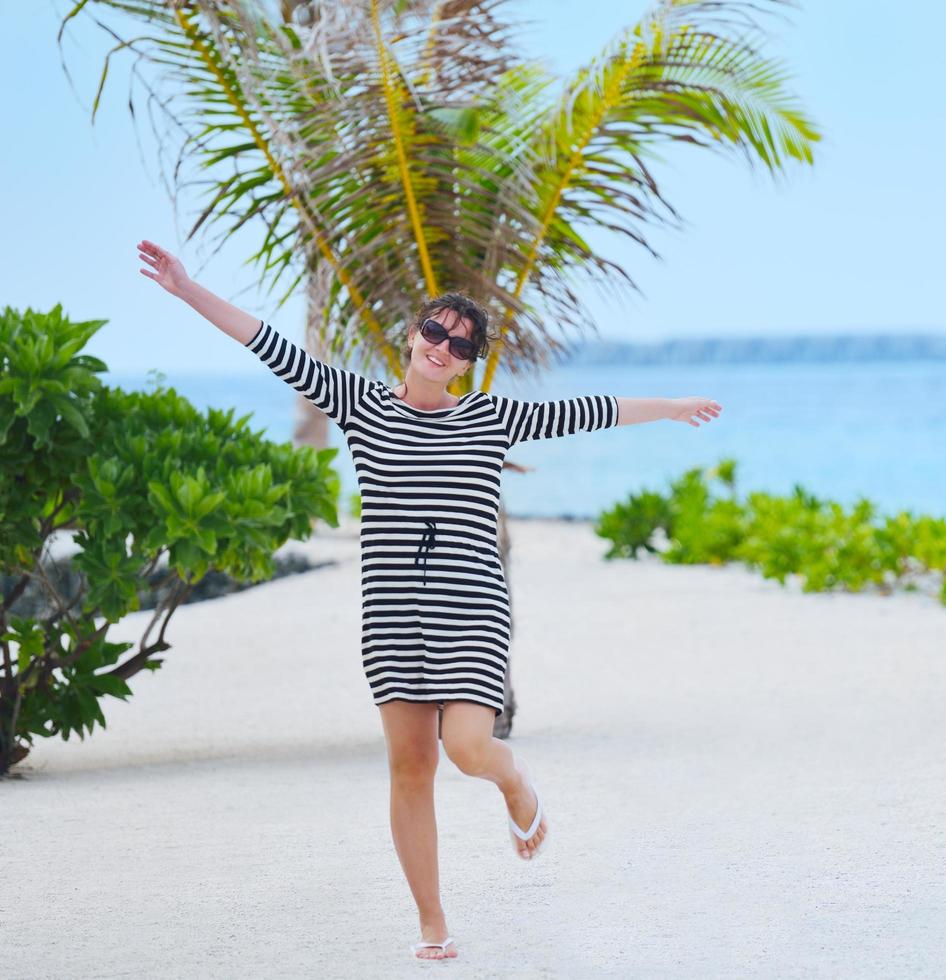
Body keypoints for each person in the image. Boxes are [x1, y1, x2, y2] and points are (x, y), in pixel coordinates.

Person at [137, 239, 722, 961]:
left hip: (472, 609)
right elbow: (269, 343)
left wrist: (670, 407)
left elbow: (588, 409)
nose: (443, 347)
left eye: (460, 343)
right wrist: (187, 289)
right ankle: (432, 924)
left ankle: (514, 781)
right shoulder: (359, 405)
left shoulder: (488, 419)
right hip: (391, 616)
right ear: (413, 335)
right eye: (435, 332)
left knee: (469, 747)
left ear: (469, 361)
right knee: (410, 767)